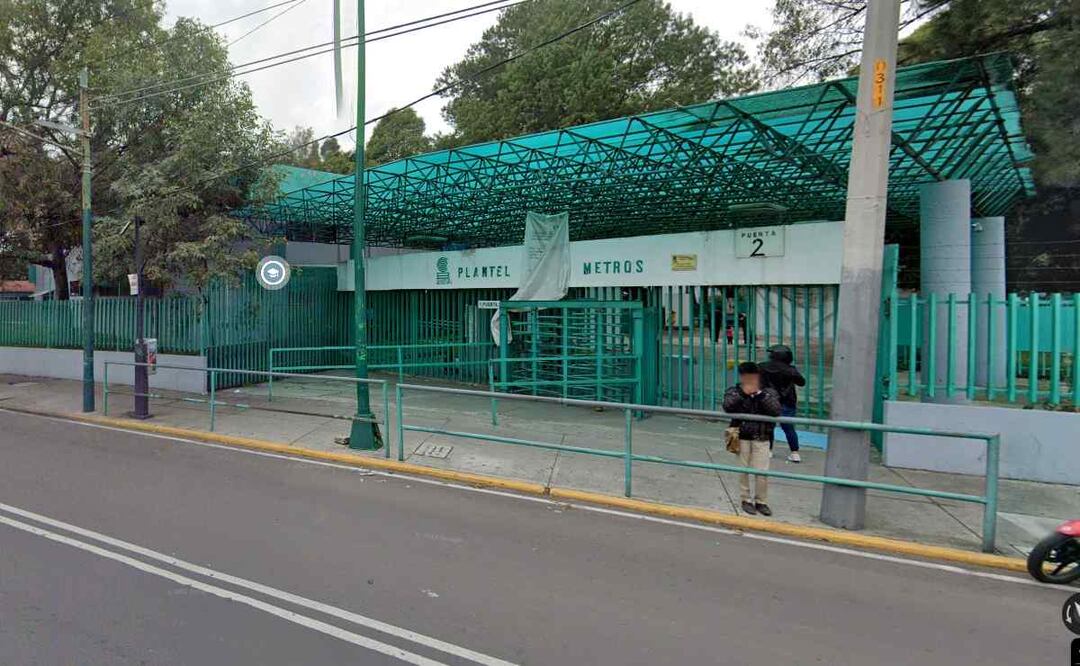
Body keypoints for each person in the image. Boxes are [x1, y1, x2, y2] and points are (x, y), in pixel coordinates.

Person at [723, 362, 781, 516]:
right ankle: (745, 499)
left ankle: (761, 501)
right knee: (743, 470)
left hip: (762, 436)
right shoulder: (734, 391)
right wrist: (743, 394)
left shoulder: (768, 392)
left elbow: (776, 410)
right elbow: (728, 406)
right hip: (741, 437)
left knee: (762, 471)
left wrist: (759, 395)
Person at [759, 344, 807, 463]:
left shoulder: (762, 367)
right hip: (787, 401)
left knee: (768, 426)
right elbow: (802, 382)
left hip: (768, 401)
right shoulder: (790, 370)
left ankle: (769, 450)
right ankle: (794, 453)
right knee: (789, 428)